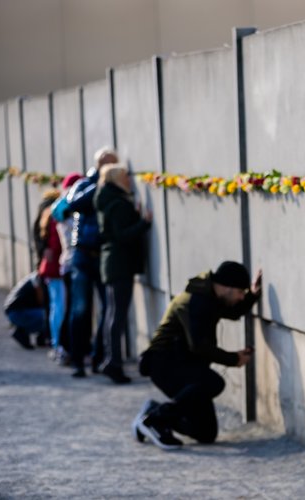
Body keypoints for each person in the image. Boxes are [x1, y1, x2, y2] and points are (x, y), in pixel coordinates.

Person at [134, 261, 261, 450]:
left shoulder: (210, 296)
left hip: (184, 364)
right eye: (240, 293)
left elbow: (233, 312)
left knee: (206, 432)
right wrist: (234, 359)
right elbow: (199, 346)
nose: (241, 297)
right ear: (227, 287)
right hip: (163, 363)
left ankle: (153, 411)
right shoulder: (198, 301)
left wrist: (252, 294)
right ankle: (155, 420)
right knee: (214, 382)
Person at [61, 147, 118, 378]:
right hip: (83, 255)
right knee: (80, 309)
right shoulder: (86, 184)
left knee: (107, 308)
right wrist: (100, 183)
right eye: (110, 165)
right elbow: (73, 204)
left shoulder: (114, 186)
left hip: (102, 255)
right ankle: (78, 360)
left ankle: (98, 357)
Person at [95, 164, 152, 384]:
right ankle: (113, 362)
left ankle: (110, 360)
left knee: (112, 314)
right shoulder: (117, 203)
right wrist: (144, 223)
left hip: (113, 263)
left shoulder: (109, 199)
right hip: (120, 264)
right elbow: (122, 234)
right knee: (116, 315)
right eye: (126, 176)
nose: (130, 179)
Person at [50, 172, 84, 365]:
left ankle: (64, 347)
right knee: (73, 309)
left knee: (70, 307)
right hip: (72, 262)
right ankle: (66, 348)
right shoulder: (68, 210)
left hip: (66, 262)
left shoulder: (60, 208)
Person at [35, 189, 66, 360]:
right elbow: (56, 246)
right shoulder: (55, 218)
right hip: (54, 270)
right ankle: (58, 343)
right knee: (59, 307)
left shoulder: (47, 215)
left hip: (48, 269)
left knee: (55, 307)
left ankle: (55, 342)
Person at [4, 272, 49, 350]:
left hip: (15, 311)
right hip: (16, 312)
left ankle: (40, 338)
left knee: (47, 313)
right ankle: (22, 332)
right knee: (48, 315)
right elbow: (41, 300)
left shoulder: (35, 277)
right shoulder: (38, 279)